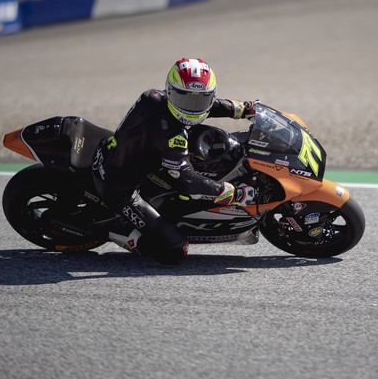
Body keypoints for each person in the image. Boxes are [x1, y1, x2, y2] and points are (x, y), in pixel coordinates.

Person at [92, 58, 256, 264]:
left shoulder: (153, 97)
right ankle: (118, 233)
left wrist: (242, 108)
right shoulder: (171, 136)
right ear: (170, 91)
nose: (193, 108)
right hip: (120, 186)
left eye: (199, 100)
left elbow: (204, 104)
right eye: (186, 100)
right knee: (175, 250)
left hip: (122, 154)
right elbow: (188, 180)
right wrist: (232, 193)